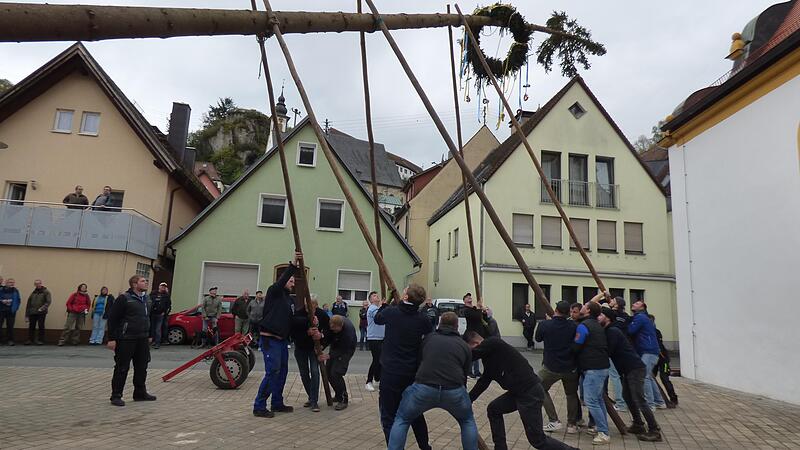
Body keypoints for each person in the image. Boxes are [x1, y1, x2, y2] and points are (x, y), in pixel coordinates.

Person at [465, 331, 577, 450]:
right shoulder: (488, 358)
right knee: (494, 409)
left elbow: (469, 356)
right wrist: (468, 400)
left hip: (530, 393)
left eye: (469, 348)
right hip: (518, 393)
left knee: (538, 440)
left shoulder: (493, 343)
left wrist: (456, 352)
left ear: (476, 344)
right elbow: (483, 381)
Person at [388, 312, 477, 450]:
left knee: (402, 419)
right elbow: (465, 372)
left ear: (440, 323)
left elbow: (419, 361)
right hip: (453, 390)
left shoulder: (428, 339)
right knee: (467, 421)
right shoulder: (463, 345)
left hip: (424, 387)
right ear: (456, 326)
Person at [375, 285, 434, 450]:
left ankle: (394, 447)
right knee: (415, 413)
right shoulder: (422, 319)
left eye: (405, 291)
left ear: (406, 297)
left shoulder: (391, 312)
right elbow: (429, 333)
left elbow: (378, 318)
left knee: (388, 415)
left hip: (391, 372)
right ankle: (425, 447)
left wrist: (385, 303)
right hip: (412, 373)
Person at [598, 308, 662, 442]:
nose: (598, 317)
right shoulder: (608, 331)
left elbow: (608, 351)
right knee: (627, 396)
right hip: (627, 370)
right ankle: (638, 424)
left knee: (639, 399)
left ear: (607, 318)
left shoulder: (613, 331)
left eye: (601, 315)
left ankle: (654, 430)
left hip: (634, 368)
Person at [253, 252, 302, 418]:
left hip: (282, 341)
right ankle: (259, 406)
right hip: (270, 339)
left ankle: (277, 403)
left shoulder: (290, 301)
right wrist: (293, 266)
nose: (293, 284)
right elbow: (282, 281)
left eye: (294, 282)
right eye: (290, 281)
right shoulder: (274, 292)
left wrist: (311, 321)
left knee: (282, 372)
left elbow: (293, 320)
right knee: (273, 371)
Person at [107, 275, 156, 407]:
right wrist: (111, 338)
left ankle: (140, 393)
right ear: (134, 284)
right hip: (126, 338)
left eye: (146, 281)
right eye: (143, 281)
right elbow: (113, 318)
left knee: (142, 366)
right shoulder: (124, 298)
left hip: (142, 338)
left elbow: (149, 317)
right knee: (122, 367)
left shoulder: (147, 299)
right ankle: (116, 395)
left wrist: (150, 334)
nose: (146, 282)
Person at [535, 301, 580, 434]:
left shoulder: (545, 325)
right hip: (570, 367)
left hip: (551, 366)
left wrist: (547, 321)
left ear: (555, 310)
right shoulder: (574, 326)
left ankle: (554, 420)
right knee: (571, 394)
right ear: (568, 313)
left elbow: (538, 338)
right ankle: (572, 424)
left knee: (538, 386)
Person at [573, 301, 611, 444]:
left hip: (592, 368)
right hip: (602, 366)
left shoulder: (584, 326)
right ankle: (601, 427)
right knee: (598, 399)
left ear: (588, 310)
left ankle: (604, 433)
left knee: (591, 400)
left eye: (585, 306)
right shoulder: (597, 325)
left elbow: (577, 345)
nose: (582, 306)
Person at [291, 294, 329, 412]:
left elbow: (329, 331)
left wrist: (321, 338)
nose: (308, 308)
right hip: (301, 348)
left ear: (316, 305)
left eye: (311, 305)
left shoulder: (322, 314)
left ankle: (314, 401)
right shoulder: (298, 314)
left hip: (314, 349)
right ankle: (311, 396)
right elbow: (293, 334)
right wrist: (307, 333)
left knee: (315, 372)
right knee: (304, 374)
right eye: (306, 305)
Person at [628, 300, 666, 409]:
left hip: (648, 350)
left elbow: (630, 330)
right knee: (648, 376)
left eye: (637, 303)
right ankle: (659, 401)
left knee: (644, 377)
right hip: (650, 351)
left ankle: (650, 404)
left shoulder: (640, 317)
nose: (633, 304)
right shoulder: (644, 317)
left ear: (642, 307)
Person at [318, 313, 356, 410]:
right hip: (335, 345)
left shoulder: (348, 333)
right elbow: (328, 337)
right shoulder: (331, 325)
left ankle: (343, 399)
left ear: (341, 325)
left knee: (336, 373)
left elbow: (343, 349)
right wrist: (322, 346)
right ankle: (338, 395)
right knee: (328, 372)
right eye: (332, 328)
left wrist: (329, 356)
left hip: (347, 349)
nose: (333, 330)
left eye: (335, 329)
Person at [606, 295, 629, 411]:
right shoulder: (626, 316)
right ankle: (626, 400)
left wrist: (603, 295)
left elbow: (593, 304)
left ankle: (621, 403)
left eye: (613, 300)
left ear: (616, 304)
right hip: (623, 349)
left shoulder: (612, 315)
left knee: (614, 376)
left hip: (613, 349)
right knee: (622, 376)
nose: (610, 301)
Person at [650, 314, 678, 406]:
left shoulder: (656, 332)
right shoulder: (652, 331)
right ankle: (655, 397)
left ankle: (673, 398)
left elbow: (659, 345)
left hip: (663, 359)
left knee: (664, 378)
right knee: (650, 378)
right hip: (655, 358)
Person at [463, 293, 487, 378]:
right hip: (471, 334)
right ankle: (469, 371)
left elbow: (482, 318)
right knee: (471, 352)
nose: (469, 297)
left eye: (470, 296)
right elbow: (476, 316)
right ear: (464, 301)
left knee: (476, 352)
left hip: (478, 333)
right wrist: (479, 307)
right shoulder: (466, 310)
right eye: (467, 297)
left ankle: (476, 371)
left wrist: (484, 312)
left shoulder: (474, 309)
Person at [365, 291, 384, 392]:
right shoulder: (372, 308)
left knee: (381, 360)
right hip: (374, 338)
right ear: (371, 300)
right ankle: (368, 381)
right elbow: (380, 317)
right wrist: (384, 306)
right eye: (374, 296)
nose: (377, 296)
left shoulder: (378, 308)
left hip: (381, 337)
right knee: (376, 360)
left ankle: (377, 378)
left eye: (377, 295)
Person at [24, 279, 51, 345]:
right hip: (32, 312)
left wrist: (42, 308)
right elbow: (28, 304)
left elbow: (48, 302)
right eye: (36, 284)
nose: (37, 285)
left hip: (41, 313)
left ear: (41, 283)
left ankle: (40, 340)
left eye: (39, 283)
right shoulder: (33, 293)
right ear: (34, 285)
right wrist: (26, 315)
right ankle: (30, 340)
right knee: (31, 326)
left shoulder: (46, 292)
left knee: (41, 326)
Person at [0, 278, 21, 345]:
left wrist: (15, 308)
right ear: (6, 283)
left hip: (11, 311)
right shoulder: (1, 289)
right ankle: (1, 340)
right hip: (1, 310)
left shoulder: (16, 291)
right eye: (10, 282)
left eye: (13, 282)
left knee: (10, 326)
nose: (12, 283)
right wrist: (2, 301)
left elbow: (18, 300)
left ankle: (10, 340)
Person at [149, 282, 170, 348]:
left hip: (160, 314)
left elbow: (168, 305)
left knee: (158, 329)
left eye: (164, 287)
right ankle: (153, 341)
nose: (163, 287)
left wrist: (164, 312)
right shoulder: (153, 293)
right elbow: (149, 302)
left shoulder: (166, 295)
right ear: (159, 286)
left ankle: (157, 343)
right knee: (152, 328)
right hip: (153, 313)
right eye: (162, 286)